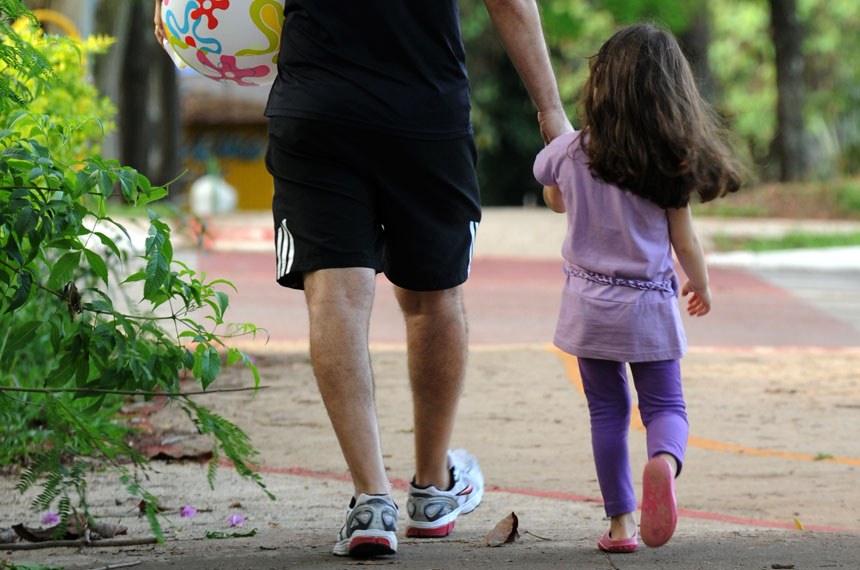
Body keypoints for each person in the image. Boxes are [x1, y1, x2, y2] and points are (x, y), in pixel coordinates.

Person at [155, 0, 571, 559]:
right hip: (424, 105)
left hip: (317, 104)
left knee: (337, 293)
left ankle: (371, 500)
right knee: (433, 295)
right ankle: (432, 488)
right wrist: (551, 116)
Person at [534, 22, 741, 554]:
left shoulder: (571, 151)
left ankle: (622, 525)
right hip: (649, 306)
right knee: (666, 407)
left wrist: (552, 127)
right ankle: (663, 463)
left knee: (606, 412)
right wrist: (702, 283)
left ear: (599, 85)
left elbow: (556, 200)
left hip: (588, 308)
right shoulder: (668, 162)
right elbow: (685, 240)